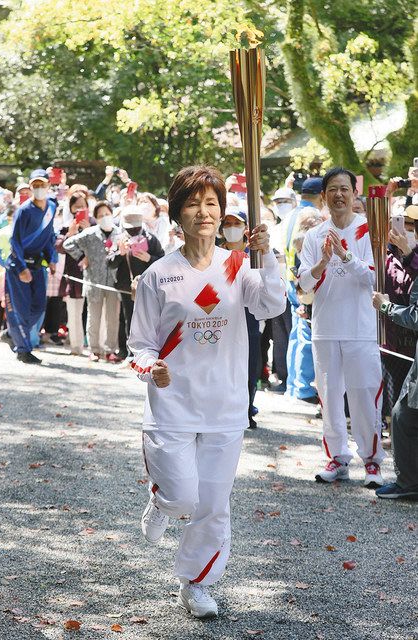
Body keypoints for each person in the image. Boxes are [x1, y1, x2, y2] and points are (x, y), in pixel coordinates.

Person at [129, 165, 285, 618]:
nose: (204, 211)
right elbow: (139, 342)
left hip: (226, 403)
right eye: (194, 203)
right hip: (173, 403)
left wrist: (267, 256)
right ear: (178, 212)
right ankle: (162, 500)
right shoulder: (160, 274)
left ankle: (197, 583)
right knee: (183, 497)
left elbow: (272, 304)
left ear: (222, 213)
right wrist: (150, 366)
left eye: (212, 203)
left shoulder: (239, 266)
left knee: (213, 505)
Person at [298, 167, 385, 487]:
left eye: (344, 189)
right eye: (332, 189)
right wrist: (322, 263)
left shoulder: (368, 230)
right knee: (330, 396)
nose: (338, 194)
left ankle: (372, 461)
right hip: (325, 328)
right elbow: (304, 284)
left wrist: (345, 255)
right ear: (323, 196)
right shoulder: (314, 235)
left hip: (360, 328)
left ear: (354, 194)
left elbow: (374, 278)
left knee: (364, 396)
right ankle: (337, 456)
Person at [373, 204, 418, 499]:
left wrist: (386, 306)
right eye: (405, 223)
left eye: (413, 225)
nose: (407, 230)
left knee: (404, 414)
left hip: (409, 343)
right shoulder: (394, 257)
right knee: (402, 413)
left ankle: (409, 484)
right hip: (397, 349)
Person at [3, 169, 57, 364]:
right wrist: (22, 268)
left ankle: (11, 333)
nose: (39, 188)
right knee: (20, 308)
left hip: (38, 264)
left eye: (42, 184)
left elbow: (49, 237)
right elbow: (14, 241)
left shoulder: (51, 207)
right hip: (19, 265)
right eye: (35, 185)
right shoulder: (24, 210)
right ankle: (23, 349)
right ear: (30, 186)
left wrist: (52, 258)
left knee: (38, 306)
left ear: (49, 186)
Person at [63, 200, 121, 362]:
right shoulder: (90, 234)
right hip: (93, 281)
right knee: (93, 317)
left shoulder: (119, 232)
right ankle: (94, 349)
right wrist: (82, 257)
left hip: (113, 283)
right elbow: (68, 244)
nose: (105, 217)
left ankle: (110, 349)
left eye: (107, 214)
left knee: (112, 318)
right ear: (95, 217)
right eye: (101, 215)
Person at [219, 207, 261, 429]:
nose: (231, 229)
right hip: (222, 316)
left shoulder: (254, 255)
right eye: (227, 225)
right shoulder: (214, 254)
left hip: (249, 317)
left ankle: (247, 409)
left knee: (249, 363)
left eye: (236, 224)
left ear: (245, 229)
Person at [284, 177, 323, 403]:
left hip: (291, 280)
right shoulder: (312, 218)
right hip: (303, 283)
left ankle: (294, 384)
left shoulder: (290, 214)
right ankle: (303, 387)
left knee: (297, 334)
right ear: (321, 195)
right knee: (305, 334)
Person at [108, 205, 164, 359]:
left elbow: (163, 261)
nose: (133, 231)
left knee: (147, 319)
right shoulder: (119, 239)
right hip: (126, 286)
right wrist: (120, 253)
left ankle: (147, 352)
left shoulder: (152, 239)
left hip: (147, 287)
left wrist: (149, 258)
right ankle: (127, 352)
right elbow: (110, 263)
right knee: (127, 317)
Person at [57, 192, 96, 355]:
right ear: (71, 208)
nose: (80, 209)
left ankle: (97, 347)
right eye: (76, 206)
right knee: (73, 312)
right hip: (73, 275)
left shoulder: (95, 224)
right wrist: (70, 235)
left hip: (94, 275)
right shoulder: (67, 226)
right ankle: (76, 346)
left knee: (95, 312)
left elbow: (102, 247)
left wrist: (89, 231)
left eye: (83, 205)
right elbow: (59, 247)